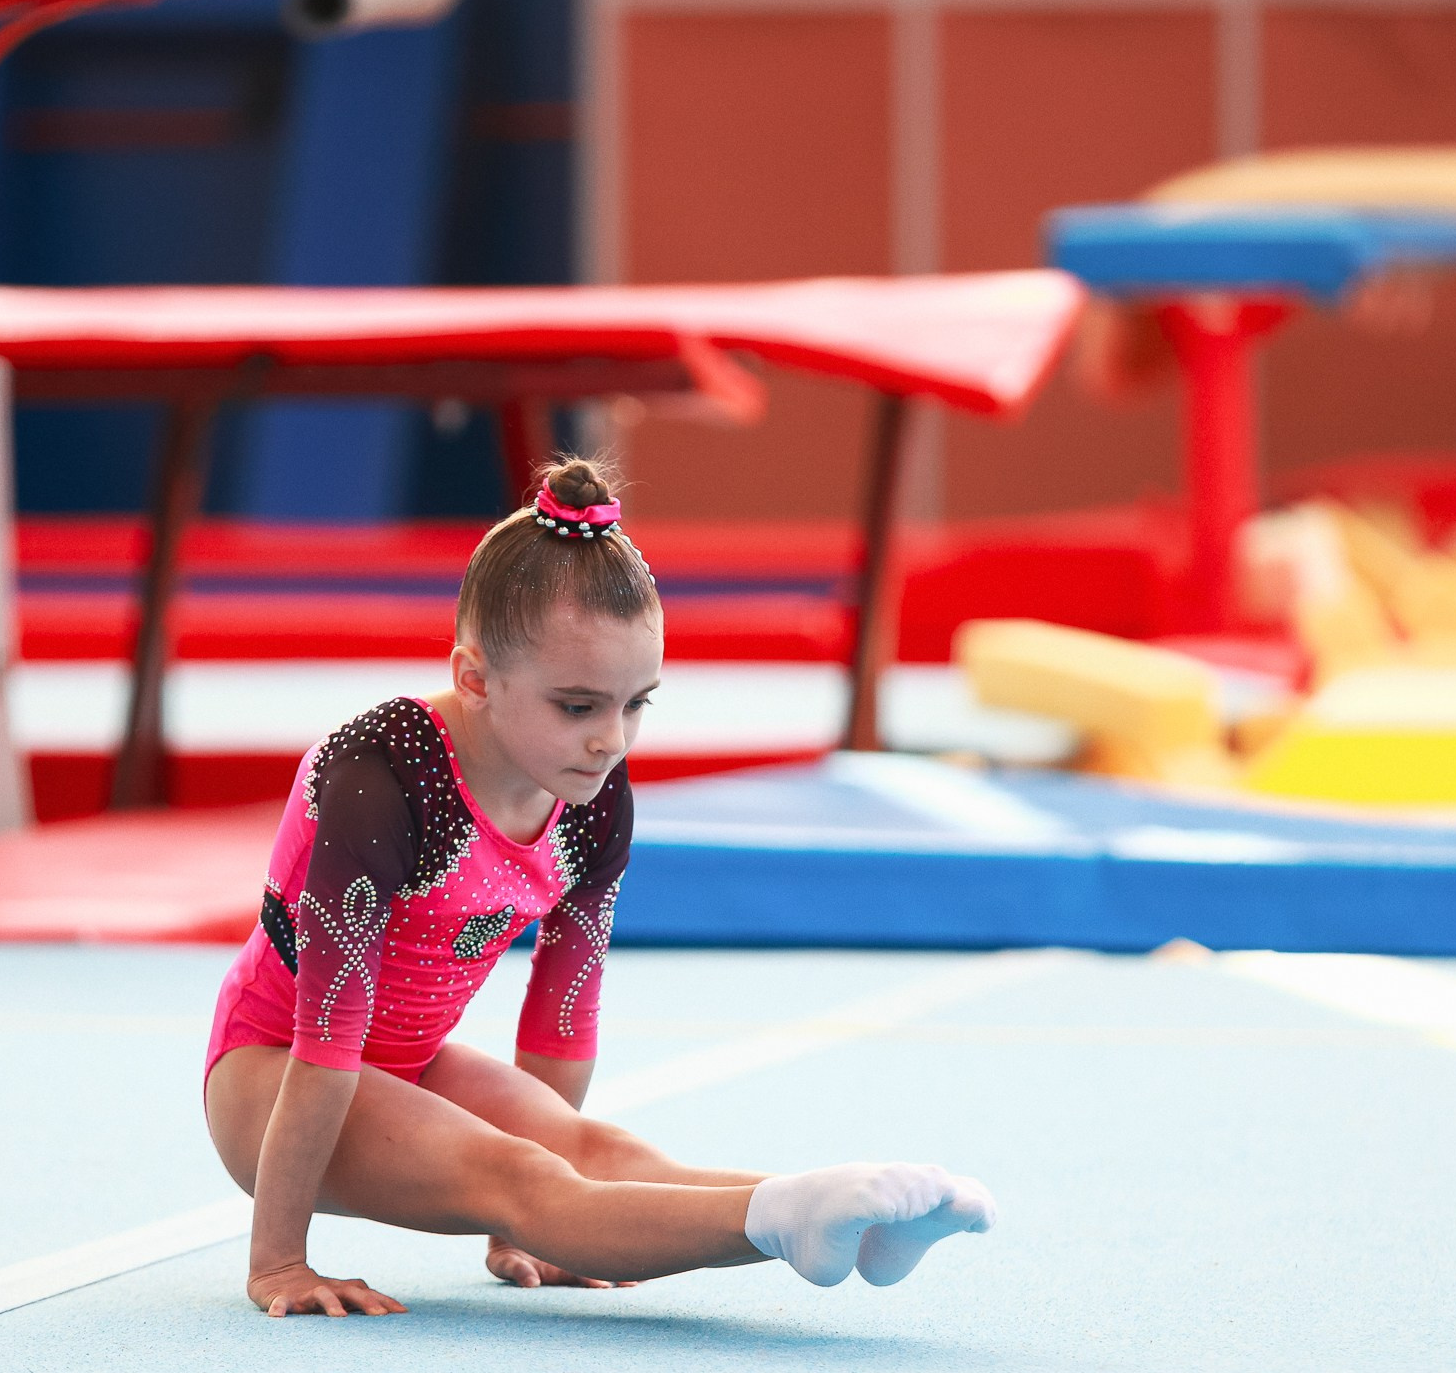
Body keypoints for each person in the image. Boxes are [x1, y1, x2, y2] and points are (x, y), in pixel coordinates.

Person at [203, 456, 996, 1316]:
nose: (611, 740)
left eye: (637, 703)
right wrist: (278, 1261)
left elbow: (561, 1021)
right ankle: (783, 1221)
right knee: (523, 1173)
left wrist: (527, 1236)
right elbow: (327, 1035)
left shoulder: (591, 799)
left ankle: (839, 1213)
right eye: (579, 706)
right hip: (270, 1075)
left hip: (410, 1062)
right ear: (474, 677)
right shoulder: (384, 779)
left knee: (596, 1149)